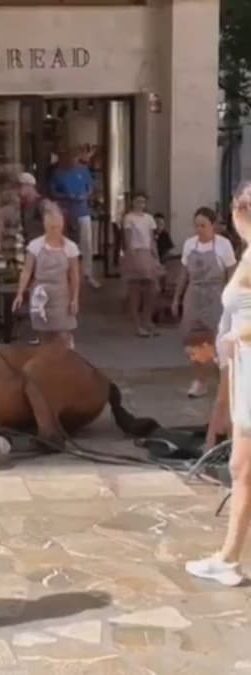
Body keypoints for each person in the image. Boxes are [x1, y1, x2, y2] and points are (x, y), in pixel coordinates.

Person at [187, 181, 251, 587]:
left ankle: (229, 558)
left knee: (242, 467)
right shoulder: (248, 253)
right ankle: (228, 557)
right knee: (241, 466)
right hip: (243, 368)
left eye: (240, 212)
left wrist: (238, 337)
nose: (237, 219)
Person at [174, 207, 238, 398]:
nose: (199, 229)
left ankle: (226, 383)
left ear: (213, 226)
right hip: (194, 297)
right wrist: (177, 298)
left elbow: (232, 273)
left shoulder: (224, 245)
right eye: (197, 226)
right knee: (196, 343)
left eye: (203, 225)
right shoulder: (189, 245)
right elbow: (184, 273)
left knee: (219, 343)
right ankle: (200, 381)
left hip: (216, 296)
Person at [14, 202, 81, 349]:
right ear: (45, 225)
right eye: (51, 226)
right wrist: (20, 293)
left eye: (57, 226)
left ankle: (66, 361)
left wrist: (75, 298)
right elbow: (27, 271)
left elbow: (74, 275)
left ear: (62, 225)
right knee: (44, 335)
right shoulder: (35, 245)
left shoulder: (70, 247)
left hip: (61, 295)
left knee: (62, 334)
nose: (54, 229)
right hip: (40, 295)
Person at [50, 145, 100, 289]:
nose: (72, 160)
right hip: (65, 213)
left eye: (74, 157)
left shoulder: (83, 171)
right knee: (65, 245)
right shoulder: (57, 173)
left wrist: (85, 195)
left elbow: (90, 188)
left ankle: (88, 274)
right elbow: (53, 192)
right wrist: (66, 196)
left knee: (87, 244)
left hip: (82, 212)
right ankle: (66, 275)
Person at [121, 191, 165, 337]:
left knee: (153, 289)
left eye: (143, 202)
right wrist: (131, 255)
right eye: (137, 201)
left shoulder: (149, 218)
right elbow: (128, 239)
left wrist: (155, 256)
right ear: (132, 202)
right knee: (135, 290)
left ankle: (147, 320)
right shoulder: (129, 218)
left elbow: (152, 239)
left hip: (147, 253)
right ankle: (137, 324)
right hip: (135, 252)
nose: (140, 204)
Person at [17, 172, 47, 243]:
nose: (18, 189)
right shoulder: (24, 206)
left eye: (20, 185)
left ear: (29, 186)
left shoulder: (42, 204)